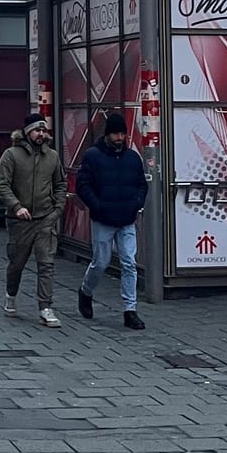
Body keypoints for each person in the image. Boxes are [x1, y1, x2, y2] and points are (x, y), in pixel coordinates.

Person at [75, 112, 147, 330]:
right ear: (107, 134)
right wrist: (98, 206)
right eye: (116, 133)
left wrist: (136, 203)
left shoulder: (132, 158)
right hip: (104, 218)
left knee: (129, 262)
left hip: (126, 218)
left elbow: (142, 184)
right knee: (101, 262)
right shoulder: (93, 156)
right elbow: (83, 185)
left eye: (122, 133)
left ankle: (130, 310)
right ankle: (86, 291)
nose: (119, 138)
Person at [0, 115, 64, 327]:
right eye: (36, 130)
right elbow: (2, 185)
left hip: (45, 218)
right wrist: (16, 206)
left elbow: (61, 184)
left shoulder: (52, 157)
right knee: (17, 264)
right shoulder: (11, 155)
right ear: (26, 132)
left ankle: (45, 307)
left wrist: (57, 210)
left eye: (43, 130)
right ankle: (11, 295)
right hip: (20, 221)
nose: (41, 134)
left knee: (46, 264)